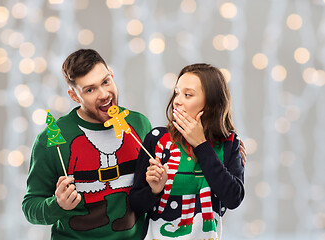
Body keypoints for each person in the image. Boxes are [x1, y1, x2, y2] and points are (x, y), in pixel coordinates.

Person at [22, 49, 152, 239]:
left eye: (106, 82)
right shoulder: (51, 139)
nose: (104, 94)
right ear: (74, 96)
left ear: (112, 77)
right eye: (90, 90)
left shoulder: (139, 124)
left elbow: (148, 193)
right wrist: (58, 205)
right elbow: (30, 207)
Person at [129, 63, 245, 239]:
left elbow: (233, 199)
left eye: (188, 95)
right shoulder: (156, 139)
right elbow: (136, 204)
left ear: (211, 104)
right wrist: (154, 190)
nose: (177, 100)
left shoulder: (229, 143)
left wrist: (201, 145)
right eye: (177, 93)